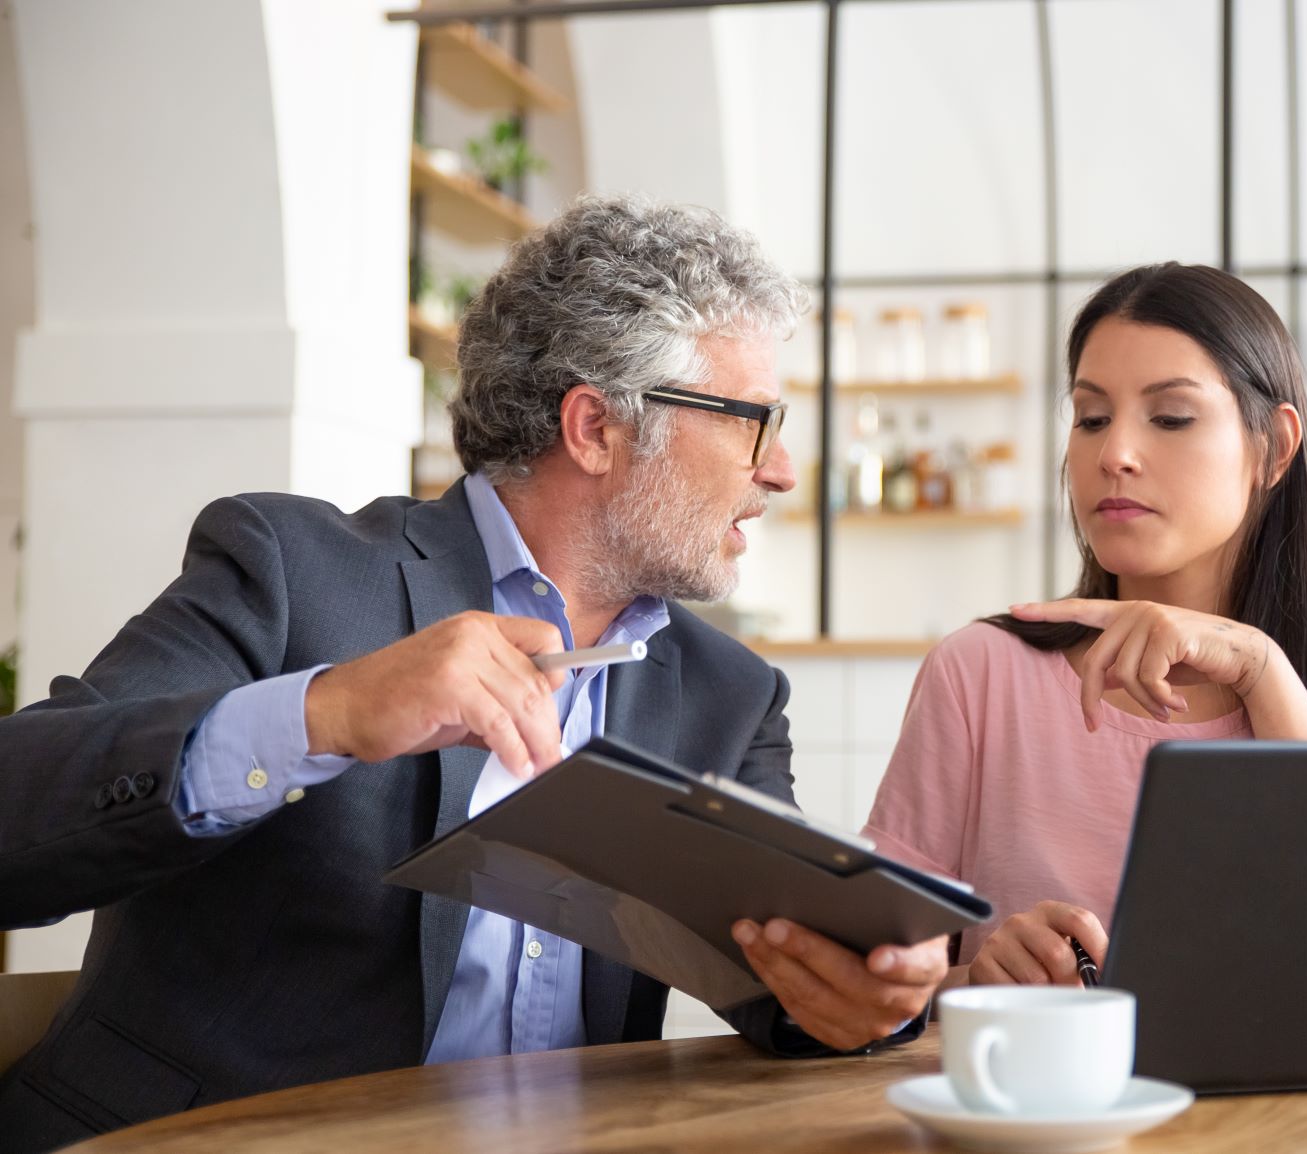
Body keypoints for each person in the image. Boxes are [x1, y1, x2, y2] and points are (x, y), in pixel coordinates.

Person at [0, 194, 945, 1150]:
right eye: (755, 421)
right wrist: (325, 713)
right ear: (595, 429)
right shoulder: (292, 571)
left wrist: (865, 996)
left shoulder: (731, 695)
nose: (782, 470)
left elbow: (777, 978)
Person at [863, 262, 1307, 992]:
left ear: (1274, 448)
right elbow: (870, 984)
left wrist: (1261, 670)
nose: (1114, 455)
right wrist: (974, 983)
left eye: (1170, 418)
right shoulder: (979, 673)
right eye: (1091, 417)